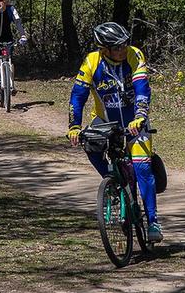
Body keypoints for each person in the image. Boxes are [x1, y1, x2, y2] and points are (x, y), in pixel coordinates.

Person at [66, 22, 162, 242]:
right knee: (89, 144)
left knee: (143, 167)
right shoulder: (92, 61)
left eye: (124, 44)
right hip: (104, 121)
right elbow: (77, 96)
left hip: (134, 121)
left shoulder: (134, 55)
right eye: (116, 47)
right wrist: (74, 126)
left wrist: (140, 117)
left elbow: (142, 90)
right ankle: (112, 181)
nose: (122, 49)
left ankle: (153, 221)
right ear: (104, 49)